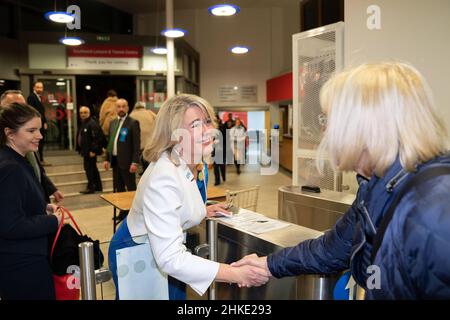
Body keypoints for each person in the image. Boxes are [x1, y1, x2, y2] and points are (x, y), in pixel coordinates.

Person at [231, 62, 450, 299]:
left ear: (363, 125)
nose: (324, 132)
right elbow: (332, 249)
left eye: (328, 120)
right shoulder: (375, 186)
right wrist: (268, 265)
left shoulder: (434, 209)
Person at [108, 94, 270, 300]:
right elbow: (170, 258)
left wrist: (203, 210)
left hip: (166, 252)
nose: (207, 130)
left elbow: (180, 203)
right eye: (194, 125)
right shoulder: (163, 176)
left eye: (207, 121)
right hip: (138, 251)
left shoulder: (196, 163)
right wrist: (235, 273)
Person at [0, 103, 67, 300]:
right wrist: (52, 221)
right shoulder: (10, 167)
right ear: (10, 133)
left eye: (39, 129)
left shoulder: (17, 159)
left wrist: (42, 205)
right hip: (22, 264)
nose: (40, 135)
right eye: (31, 130)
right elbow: (10, 225)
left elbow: (14, 200)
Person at [0, 90, 64, 204]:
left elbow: (36, 169)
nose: (39, 136)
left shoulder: (25, 140)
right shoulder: (8, 163)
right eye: (15, 106)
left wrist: (50, 190)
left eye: (24, 106)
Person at [104, 98, 140, 193]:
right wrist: (107, 159)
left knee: (131, 188)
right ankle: (122, 208)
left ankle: (132, 208)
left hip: (128, 163)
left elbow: (136, 144)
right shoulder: (113, 123)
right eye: (119, 107)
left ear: (127, 108)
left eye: (123, 106)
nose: (121, 109)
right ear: (115, 109)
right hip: (115, 162)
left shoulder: (132, 123)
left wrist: (135, 162)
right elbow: (110, 142)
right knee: (119, 189)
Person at [76, 106, 104, 194]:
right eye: (81, 113)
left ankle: (91, 188)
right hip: (85, 151)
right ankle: (98, 187)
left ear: (89, 113)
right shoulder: (84, 123)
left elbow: (97, 138)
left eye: (85, 112)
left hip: (90, 152)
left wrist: (93, 150)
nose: (83, 114)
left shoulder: (92, 123)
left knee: (89, 169)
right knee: (93, 169)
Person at [129, 101, 156, 172]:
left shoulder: (131, 115)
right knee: (148, 157)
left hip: (139, 141)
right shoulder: (149, 113)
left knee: (141, 156)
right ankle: (148, 170)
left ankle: (143, 169)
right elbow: (158, 120)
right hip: (149, 140)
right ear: (143, 107)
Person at [27, 81, 49, 165]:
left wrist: (45, 122)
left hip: (41, 124)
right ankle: (39, 161)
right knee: (37, 142)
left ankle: (41, 160)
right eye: (38, 87)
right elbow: (32, 112)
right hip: (36, 125)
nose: (40, 89)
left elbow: (41, 112)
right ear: (34, 88)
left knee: (41, 142)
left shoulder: (39, 97)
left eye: (41, 87)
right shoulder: (31, 97)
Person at [212, 114, 226, 185]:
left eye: (215, 119)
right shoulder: (211, 127)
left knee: (221, 164)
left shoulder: (222, 126)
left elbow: (225, 137)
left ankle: (223, 175)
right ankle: (217, 180)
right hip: (214, 148)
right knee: (215, 165)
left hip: (221, 148)